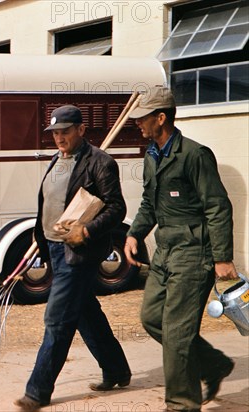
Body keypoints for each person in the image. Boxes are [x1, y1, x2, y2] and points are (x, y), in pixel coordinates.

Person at [124, 87, 238, 411]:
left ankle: (181, 404)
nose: (138, 124)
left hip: (194, 253)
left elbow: (218, 207)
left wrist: (221, 258)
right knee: (152, 319)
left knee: (176, 332)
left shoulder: (194, 155)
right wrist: (134, 234)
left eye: (142, 118)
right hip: (164, 252)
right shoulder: (151, 154)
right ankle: (213, 364)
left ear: (161, 118)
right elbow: (149, 202)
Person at [15, 105, 131, 410]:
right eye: (55, 132)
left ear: (81, 129)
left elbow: (117, 208)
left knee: (58, 318)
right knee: (84, 312)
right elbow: (50, 202)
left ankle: (37, 391)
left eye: (65, 131)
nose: (59, 137)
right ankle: (117, 370)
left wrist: (87, 231)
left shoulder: (100, 162)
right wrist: (39, 237)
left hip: (78, 252)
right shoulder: (58, 159)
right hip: (54, 248)